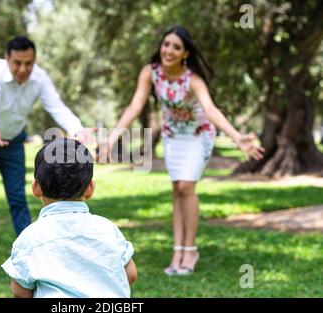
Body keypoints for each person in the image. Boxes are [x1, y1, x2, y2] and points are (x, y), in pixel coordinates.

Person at [99, 26, 263, 276]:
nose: (169, 50)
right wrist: (112, 138)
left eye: (176, 47)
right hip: (173, 137)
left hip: (198, 137)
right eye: (166, 45)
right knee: (177, 189)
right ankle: (178, 252)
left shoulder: (192, 79)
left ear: (185, 53)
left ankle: (190, 249)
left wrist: (237, 137)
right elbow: (135, 105)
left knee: (186, 187)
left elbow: (211, 109)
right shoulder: (150, 73)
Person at [0, 36, 95, 277]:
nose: (23, 69)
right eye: (17, 63)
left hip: (12, 139)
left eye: (29, 63)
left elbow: (56, 105)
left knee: (18, 196)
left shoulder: (39, 77)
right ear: (7, 59)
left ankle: (32, 254)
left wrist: (78, 129)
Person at [1, 138, 137, 297]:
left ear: (36, 188)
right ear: (90, 189)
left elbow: (20, 291)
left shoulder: (29, 237)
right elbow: (131, 274)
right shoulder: (107, 229)